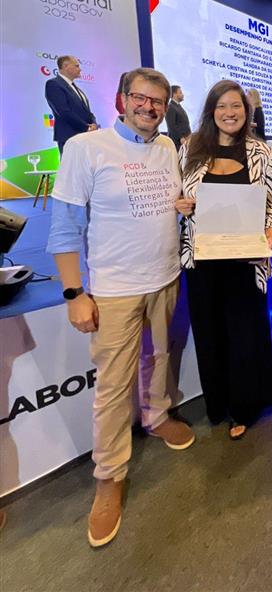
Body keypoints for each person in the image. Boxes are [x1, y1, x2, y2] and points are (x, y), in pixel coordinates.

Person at [47, 67, 194, 548]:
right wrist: (75, 293)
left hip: (166, 276)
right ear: (120, 100)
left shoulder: (168, 147)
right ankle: (109, 476)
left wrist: (183, 206)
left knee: (161, 358)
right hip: (113, 288)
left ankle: (156, 415)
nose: (149, 107)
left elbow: (166, 202)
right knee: (112, 386)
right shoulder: (85, 149)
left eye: (157, 100)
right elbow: (65, 227)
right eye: (140, 98)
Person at [176, 80, 272, 440]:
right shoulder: (190, 147)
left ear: (246, 112)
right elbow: (179, 196)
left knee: (244, 334)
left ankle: (244, 406)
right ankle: (217, 403)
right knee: (209, 333)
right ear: (211, 111)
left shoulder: (261, 152)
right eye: (221, 106)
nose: (229, 113)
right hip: (202, 262)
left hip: (244, 261)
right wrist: (181, 206)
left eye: (236, 106)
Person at [44, 55, 97, 154]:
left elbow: (86, 111)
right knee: (72, 168)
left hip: (85, 136)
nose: (80, 70)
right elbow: (63, 112)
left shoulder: (75, 88)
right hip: (69, 137)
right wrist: (86, 127)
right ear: (66, 66)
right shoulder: (53, 84)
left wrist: (94, 124)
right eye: (77, 66)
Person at [165, 85, 191, 150]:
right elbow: (172, 125)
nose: (183, 95)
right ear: (174, 94)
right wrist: (181, 137)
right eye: (180, 93)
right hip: (177, 143)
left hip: (185, 140)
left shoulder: (178, 106)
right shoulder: (171, 107)